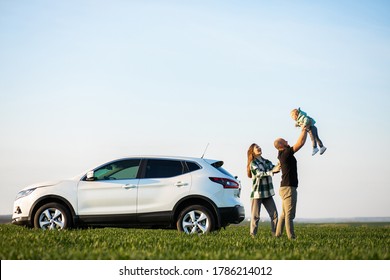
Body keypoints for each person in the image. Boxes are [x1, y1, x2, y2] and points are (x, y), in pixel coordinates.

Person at [273, 128, 307, 239]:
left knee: (283, 214)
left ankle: (277, 235)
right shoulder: (286, 153)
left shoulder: (281, 154)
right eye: (285, 141)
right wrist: (304, 130)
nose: (287, 141)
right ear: (281, 145)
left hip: (284, 187)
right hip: (288, 188)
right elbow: (300, 143)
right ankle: (291, 237)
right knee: (289, 215)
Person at [247, 143, 281, 237]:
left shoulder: (266, 162)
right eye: (256, 147)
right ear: (252, 152)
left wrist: (279, 165)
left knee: (274, 215)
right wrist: (272, 171)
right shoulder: (253, 163)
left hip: (267, 192)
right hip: (257, 193)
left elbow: (274, 168)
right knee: (255, 217)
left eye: (259, 146)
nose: (259, 148)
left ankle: (276, 235)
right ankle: (253, 236)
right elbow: (259, 174)